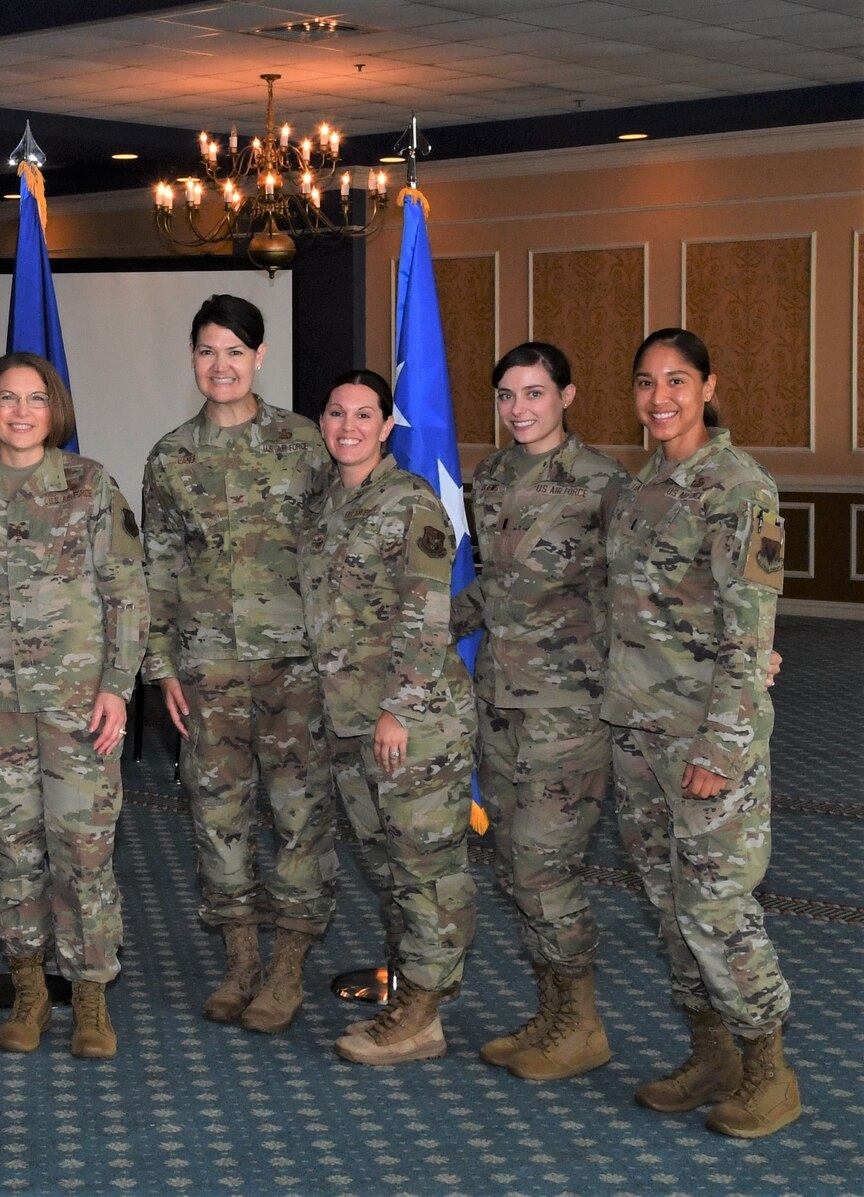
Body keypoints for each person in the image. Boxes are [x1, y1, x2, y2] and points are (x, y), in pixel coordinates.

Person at [606, 328, 798, 1138]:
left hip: (707, 742)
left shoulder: (739, 488)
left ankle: (769, 1071)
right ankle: (711, 1051)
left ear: (708, 385)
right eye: (647, 382)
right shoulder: (641, 487)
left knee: (719, 908)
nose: (660, 399)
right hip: (640, 735)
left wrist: (720, 750)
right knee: (669, 905)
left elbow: (749, 636)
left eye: (677, 381)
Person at [0, 352, 145, 1058]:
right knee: (11, 851)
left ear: (56, 410)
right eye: (5, 399)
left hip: (79, 706)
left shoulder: (90, 486)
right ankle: (28, 990)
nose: (20, 412)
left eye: (35, 399)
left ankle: (88, 997)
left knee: (84, 852)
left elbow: (127, 594)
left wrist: (118, 685)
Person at [139, 294, 337, 1034]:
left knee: (298, 818)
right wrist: (161, 668)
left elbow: (338, 551)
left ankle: (287, 966)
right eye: (206, 351)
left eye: (234, 350)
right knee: (216, 819)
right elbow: (156, 567)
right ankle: (241, 959)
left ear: (259, 357)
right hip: (207, 670)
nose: (219, 365)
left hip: (297, 667)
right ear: (192, 359)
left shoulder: (306, 445)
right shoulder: (170, 457)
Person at [451, 343, 629, 1082]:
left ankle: (583, 1021)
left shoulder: (603, 484)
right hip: (501, 700)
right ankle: (554, 1010)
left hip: (570, 709)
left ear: (568, 394)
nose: (518, 409)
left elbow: (637, 592)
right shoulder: (490, 477)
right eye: (505, 395)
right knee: (516, 866)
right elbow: (494, 590)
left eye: (533, 393)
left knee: (543, 863)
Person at [301, 369, 477, 1066]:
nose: (348, 425)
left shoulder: (410, 501)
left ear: (385, 427)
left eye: (364, 414)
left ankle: (422, 1018)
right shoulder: (323, 506)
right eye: (337, 413)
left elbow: (428, 609)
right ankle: (414, 993)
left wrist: (400, 706)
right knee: (390, 866)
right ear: (323, 424)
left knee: (426, 868)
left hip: (413, 721)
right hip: (349, 721)